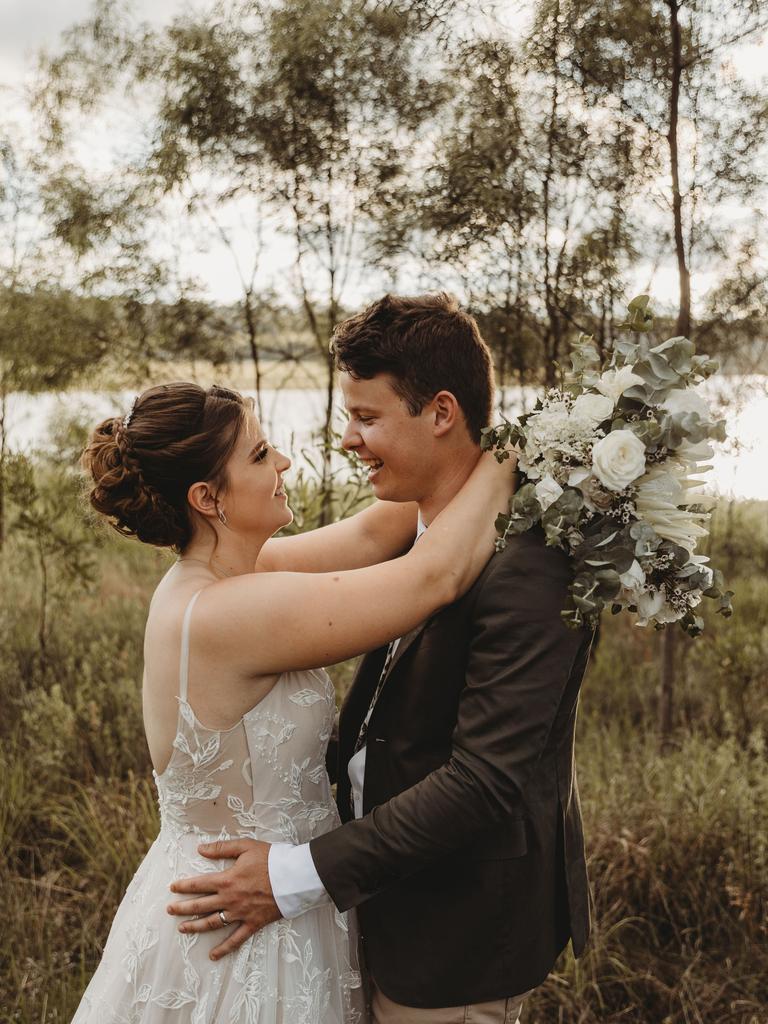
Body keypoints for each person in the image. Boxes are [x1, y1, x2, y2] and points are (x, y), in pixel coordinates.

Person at [169, 294, 595, 1024]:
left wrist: (296, 876)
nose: (347, 440)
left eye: (366, 418)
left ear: (440, 412)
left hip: (452, 938)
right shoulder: (413, 526)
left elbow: (485, 782)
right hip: (374, 906)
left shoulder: (528, 564)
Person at [71, 379, 514, 1024]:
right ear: (207, 498)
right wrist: (519, 452)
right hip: (244, 923)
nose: (283, 462)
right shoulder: (229, 611)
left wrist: (453, 448)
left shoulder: (232, 572)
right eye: (258, 456)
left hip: (272, 894)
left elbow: (372, 537)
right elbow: (433, 577)